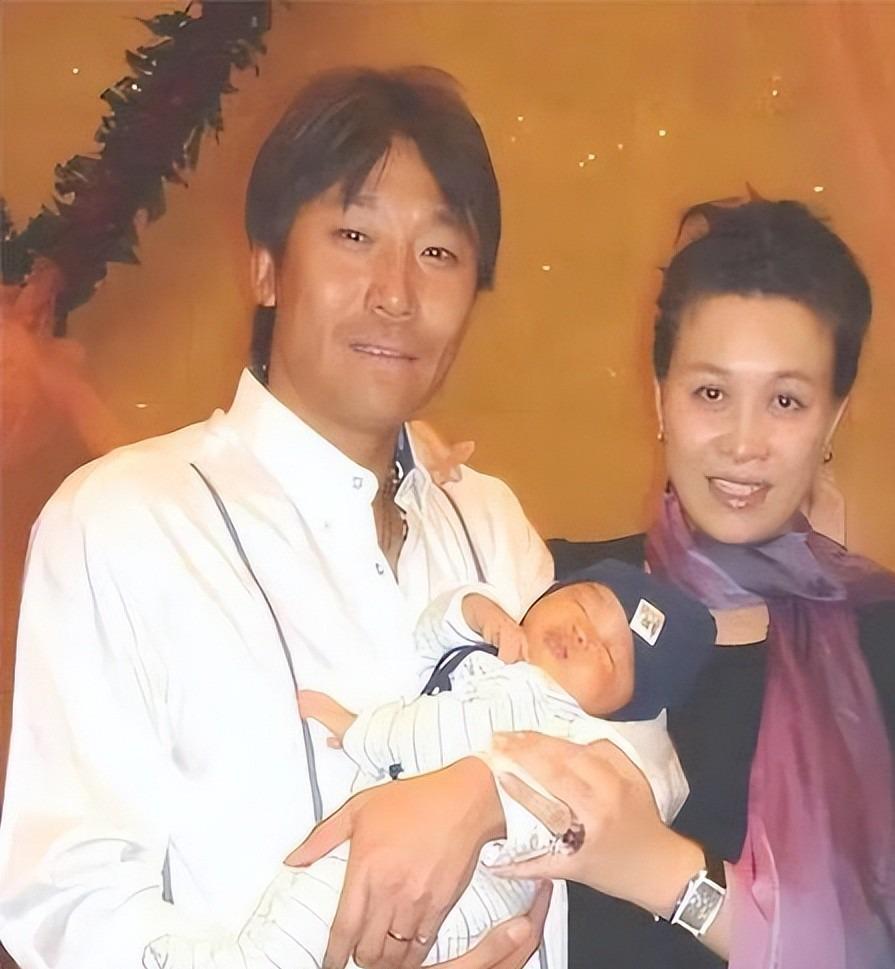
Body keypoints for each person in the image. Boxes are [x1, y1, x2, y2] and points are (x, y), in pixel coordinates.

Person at [0, 67, 564, 969]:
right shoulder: (126, 521)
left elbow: (604, 769)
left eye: (438, 252)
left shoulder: (492, 528)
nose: (395, 293)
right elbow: (66, 899)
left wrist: (477, 793)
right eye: (354, 235)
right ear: (265, 265)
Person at [480, 199, 895, 969]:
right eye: (710, 392)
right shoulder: (548, 590)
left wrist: (661, 870)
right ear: (660, 395)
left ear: (831, 419)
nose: (742, 442)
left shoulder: (880, 645)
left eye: (785, 401)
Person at [143, 560, 716, 968]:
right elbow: (430, 635)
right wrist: (479, 612)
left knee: (322, 911)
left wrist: (359, 730)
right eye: (583, 606)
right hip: (429, 865)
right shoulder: (495, 664)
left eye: (610, 656)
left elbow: (438, 736)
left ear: (618, 708)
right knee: (307, 891)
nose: (582, 635)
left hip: (471, 892)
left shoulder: (557, 721)